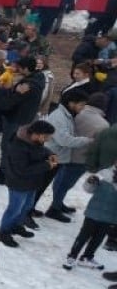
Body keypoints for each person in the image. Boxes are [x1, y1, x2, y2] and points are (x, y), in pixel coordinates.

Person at [0, 120, 57, 247]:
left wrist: (51, 154)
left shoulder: (35, 141)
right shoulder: (18, 146)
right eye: (46, 137)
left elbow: (42, 150)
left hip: (32, 182)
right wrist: (47, 165)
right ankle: (4, 232)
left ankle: (16, 226)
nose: (47, 140)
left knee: (27, 205)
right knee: (14, 209)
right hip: (18, 183)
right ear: (38, 134)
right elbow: (23, 170)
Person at [41, 90, 96, 222]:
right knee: (39, 186)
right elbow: (64, 140)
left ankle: (29, 210)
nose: (82, 108)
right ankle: (26, 213)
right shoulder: (60, 117)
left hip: (56, 156)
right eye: (81, 105)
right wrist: (87, 141)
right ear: (71, 103)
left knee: (41, 186)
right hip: (51, 156)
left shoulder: (67, 115)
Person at [65, 170, 117, 270]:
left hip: (110, 216)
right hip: (93, 212)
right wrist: (90, 182)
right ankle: (72, 255)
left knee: (98, 238)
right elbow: (89, 189)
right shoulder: (105, 173)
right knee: (84, 235)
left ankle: (87, 257)